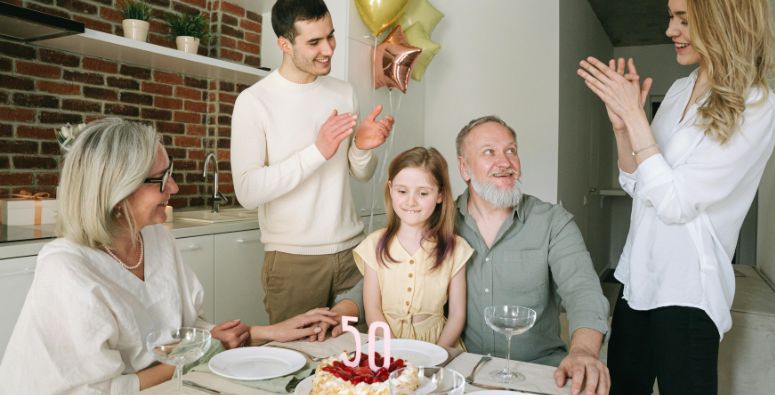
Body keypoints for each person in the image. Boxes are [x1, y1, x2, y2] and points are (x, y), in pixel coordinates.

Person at [0, 118, 342, 394]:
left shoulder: (155, 239)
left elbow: (185, 333)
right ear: (117, 191)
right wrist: (209, 349)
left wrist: (270, 332)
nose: (174, 187)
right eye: (161, 179)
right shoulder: (66, 268)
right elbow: (103, 388)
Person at [577, 0, 775, 393]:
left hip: (688, 291)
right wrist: (623, 126)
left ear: (723, 21)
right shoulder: (677, 91)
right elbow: (638, 185)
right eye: (671, 17)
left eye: (684, 19)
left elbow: (675, 202)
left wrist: (638, 119)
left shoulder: (756, 103)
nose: (670, 30)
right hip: (637, 278)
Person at [339, 116, 611, 395]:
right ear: (464, 168)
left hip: (534, 372)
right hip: (461, 371)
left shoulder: (553, 222)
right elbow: (386, 274)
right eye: (489, 152)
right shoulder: (434, 221)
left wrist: (584, 351)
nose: (505, 162)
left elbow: (583, 291)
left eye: (511, 150)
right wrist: (339, 311)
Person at [231, 0, 394, 330]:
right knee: (298, 364)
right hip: (293, 262)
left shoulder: (343, 92)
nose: (329, 49)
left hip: (352, 252)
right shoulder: (254, 101)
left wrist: (361, 148)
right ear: (284, 44)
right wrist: (317, 151)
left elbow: (361, 174)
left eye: (330, 36)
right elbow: (247, 192)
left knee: (358, 360)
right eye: (314, 42)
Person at [355, 147, 473, 348]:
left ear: (440, 195)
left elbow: (456, 315)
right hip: (386, 344)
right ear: (391, 189)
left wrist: (438, 355)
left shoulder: (456, 248)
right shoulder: (373, 245)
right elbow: (373, 309)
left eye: (423, 193)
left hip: (438, 345)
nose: (411, 201)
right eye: (402, 191)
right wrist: (394, 351)